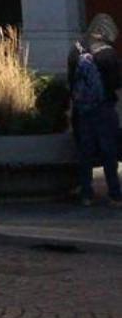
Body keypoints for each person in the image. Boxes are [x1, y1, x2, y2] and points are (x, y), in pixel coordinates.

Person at [66, 13, 120, 207]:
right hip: (104, 108)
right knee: (109, 151)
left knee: (85, 152)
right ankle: (114, 194)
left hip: (82, 109)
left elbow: (71, 81)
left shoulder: (76, 50)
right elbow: (116, 83)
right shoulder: (108, 54)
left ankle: (86, 194)